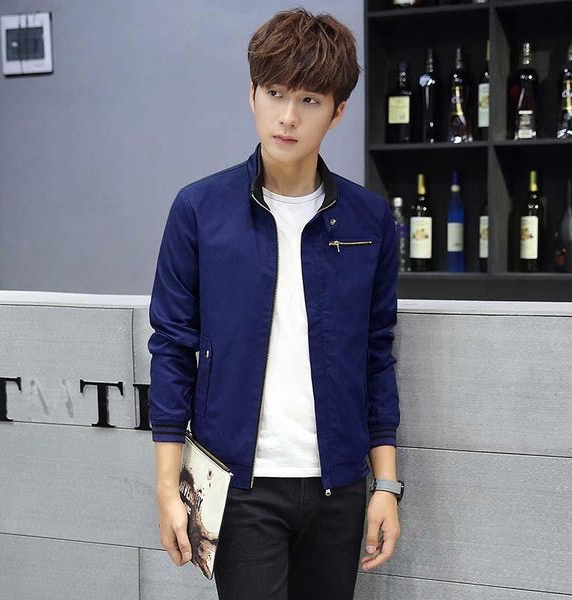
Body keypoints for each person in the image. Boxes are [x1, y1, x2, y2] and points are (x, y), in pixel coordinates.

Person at [147, 7, 403, 600]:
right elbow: (172, 347)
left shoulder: (368, 220)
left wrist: (386, 485)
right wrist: (166, 484)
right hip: (240, 487)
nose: (288, 116)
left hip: (339, 486)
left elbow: (376, 355)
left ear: (338, 111)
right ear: (253, 94)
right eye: (275, 93)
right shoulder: (199, 210)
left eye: (310, 100)